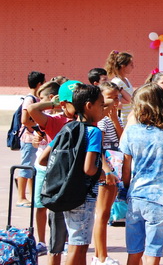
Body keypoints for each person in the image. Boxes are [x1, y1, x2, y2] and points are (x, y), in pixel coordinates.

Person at [39, 84, 106, 265]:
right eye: (101, 104)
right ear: (88, 106)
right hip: (84, 196)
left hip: (64, 191)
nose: (103, 108)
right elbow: (89, 168)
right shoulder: (94, 132)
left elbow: (43, 159)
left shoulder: (66, 128)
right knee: (78, 245)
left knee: (77, 242)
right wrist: (105, 176)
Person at [120, 83, 163, 265]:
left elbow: (126, 168)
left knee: (134, 252)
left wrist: (125, 190)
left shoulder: (130, 132)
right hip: (159, 199)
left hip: (135, 196)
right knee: (153, 252)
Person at [28, 79, 81, 265]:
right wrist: (55, 104)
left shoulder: (86, 122)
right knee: (47, 213)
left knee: (73, 226)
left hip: (75, 179)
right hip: (54, 178)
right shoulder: (54, 120)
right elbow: (33, 110)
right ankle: (45, 243)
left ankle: (65, 245)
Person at [92, 82, 123, 265]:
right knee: (102, 214)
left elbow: (122, 138)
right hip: (107, 169)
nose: (115, 100)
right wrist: (107, 170)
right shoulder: (101, 120)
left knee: (105, 213)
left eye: (117, 96)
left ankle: (99, 254)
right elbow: (99, 147)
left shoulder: (111, 117)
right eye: (111, 96)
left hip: (115, 165)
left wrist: (116, 120)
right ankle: (101, 256)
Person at [31, 81, 60, 256]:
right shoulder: (44, 119)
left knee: (58, 207)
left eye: (42, 98)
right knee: (40, 206)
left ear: (51, 98)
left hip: (57, 167)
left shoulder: (61, 118)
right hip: (42, 167)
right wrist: (36, 140)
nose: (39, 101)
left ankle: (59, 240)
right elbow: (37, 138)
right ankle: (41, 241)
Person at [18, 71, 45, 207]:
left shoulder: (34, 98)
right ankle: (21, 197)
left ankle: (30, 195)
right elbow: (24, 120)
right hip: (28, 138)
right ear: (39, 84)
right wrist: (38, 127)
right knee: (25, 167)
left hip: (32, 137)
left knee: (31, 168)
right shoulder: (30, 99)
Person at [105, 50, 134, 126]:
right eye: (131, 65)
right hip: (122, 119)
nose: (133, 67)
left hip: (129, 117)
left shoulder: (126, 80)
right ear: (123, 66)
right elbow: (124, 101)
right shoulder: (116, 82)